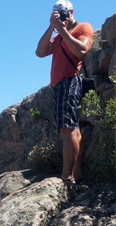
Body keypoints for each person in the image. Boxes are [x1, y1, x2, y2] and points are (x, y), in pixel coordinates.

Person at [35, 0, 94, 183]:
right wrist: (52, 27)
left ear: (71, 12)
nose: (61, 17)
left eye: (63, 13)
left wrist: (62, 30)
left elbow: (83, 50)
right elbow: (40, 52)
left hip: (70, 80)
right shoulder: (59, 36)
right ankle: (75, 175)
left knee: (68, 129)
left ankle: (67, 177)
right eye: (57, 14)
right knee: (68, 129)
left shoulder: (83, 28)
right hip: (59, 84)